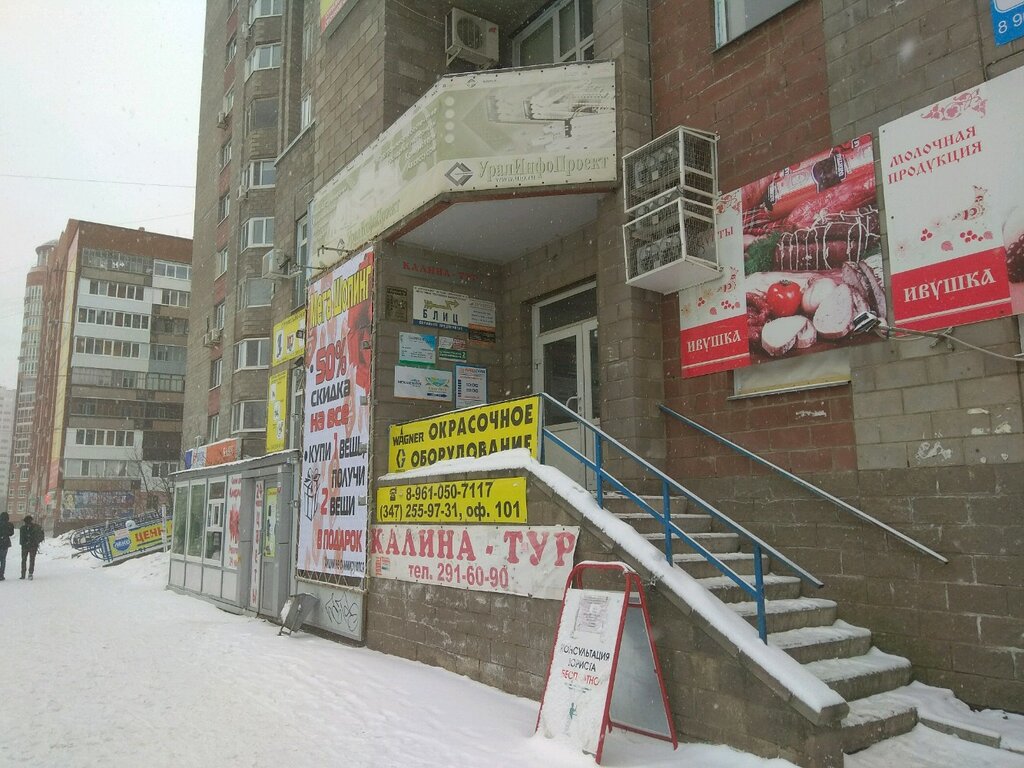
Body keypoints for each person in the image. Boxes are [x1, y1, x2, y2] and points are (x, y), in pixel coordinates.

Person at [20, 514, 44, 580]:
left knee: (24, 560)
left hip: (25, 546)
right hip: (33, 546)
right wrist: (36, 542)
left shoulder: (22, 528)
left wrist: (23, 543)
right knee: (32, 560)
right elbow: (40, 536)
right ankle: (30, 573)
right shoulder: (36, 527)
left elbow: (21, 539)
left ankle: (23, 574)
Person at [0, 512, 13, 580]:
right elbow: (11, 533)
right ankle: (1, 575)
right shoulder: (9, 524)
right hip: (5, 543)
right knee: (3, 559)